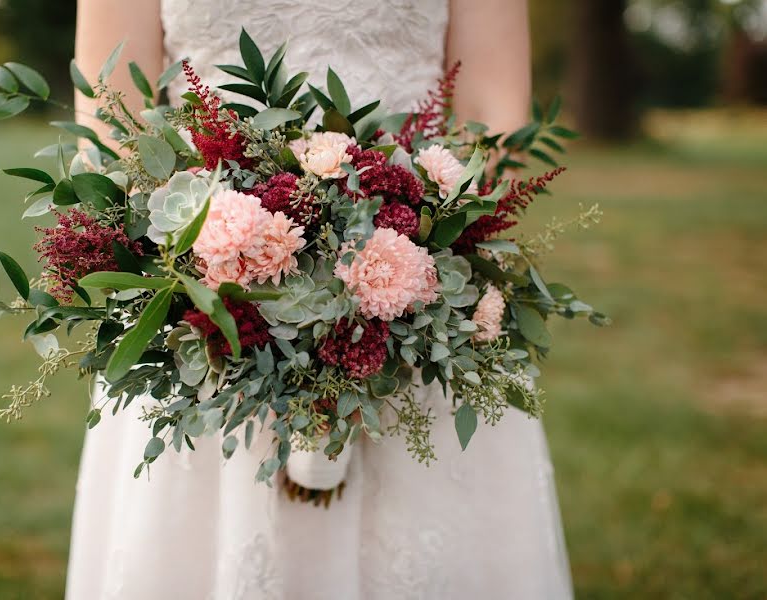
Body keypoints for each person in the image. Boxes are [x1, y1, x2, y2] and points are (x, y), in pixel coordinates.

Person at [67, 1, 574, 598]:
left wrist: (412, 257)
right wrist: (215, 268)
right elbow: (111, 122)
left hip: (420, 301)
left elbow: (493, 117)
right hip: (207, 305)